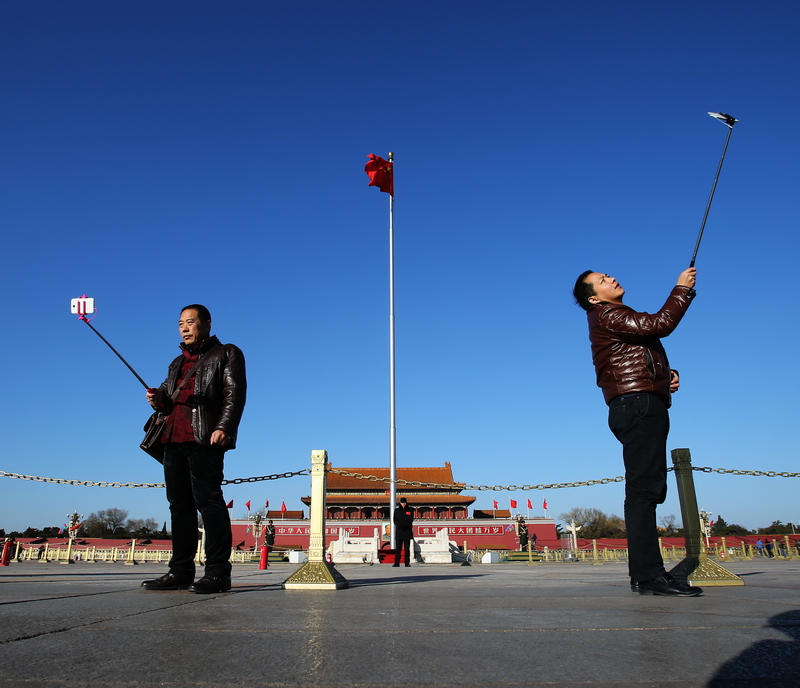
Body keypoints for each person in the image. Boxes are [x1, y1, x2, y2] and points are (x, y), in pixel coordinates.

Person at [573, 268, 702, 597]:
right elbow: (660, 324)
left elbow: (634, 353)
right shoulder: (607, 314)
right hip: (638, 405)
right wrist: (681, 290)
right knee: (644, 491)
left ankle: (644, 574)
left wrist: (665, 376)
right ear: (594, 298)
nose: (611, 279)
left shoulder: (611, 316)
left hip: (639, 403)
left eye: (608, 275)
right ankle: (649, 575)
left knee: (647, 488)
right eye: (603, 280)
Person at [141, 304, 246, 594]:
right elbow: (167, 396)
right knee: (179, 507)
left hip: (204, 438)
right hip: (171, 439)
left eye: (190, 322)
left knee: (209, 502)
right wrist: (157, 399)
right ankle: (180, 571)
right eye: (180, 324)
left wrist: (224, 427)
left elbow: (234, 394)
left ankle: (218, 573)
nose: (184, 328)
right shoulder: (176, 362)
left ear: (207, 323)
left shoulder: (227, 353)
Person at [392, 498, 414, 567]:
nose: (404, 504)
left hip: (407, 531)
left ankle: (407, 563)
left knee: (407, 549)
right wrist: (400, 526)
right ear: (400, 503)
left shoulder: (410, 510)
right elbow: (395, 520)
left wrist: (405, 526)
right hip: (399, 531)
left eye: (405, 502)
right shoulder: (397, 510)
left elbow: (411, 519)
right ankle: (396, 563)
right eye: (402, 503)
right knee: (398, 549)